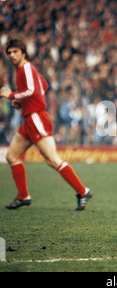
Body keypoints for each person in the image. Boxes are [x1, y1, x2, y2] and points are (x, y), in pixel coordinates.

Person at [0, 39, 92, 211]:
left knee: (52, 160)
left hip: (36, 118)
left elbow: (33, 91)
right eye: (9, 53)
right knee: (12, 156)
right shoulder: (24, 69)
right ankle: (23, 196)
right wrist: (21, 102)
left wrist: (12, 95)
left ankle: (83, 191)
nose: (12, 55)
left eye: (15, 52)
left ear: (23, 53)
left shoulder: (26, 68)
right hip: (29, 119)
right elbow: (43, 85)